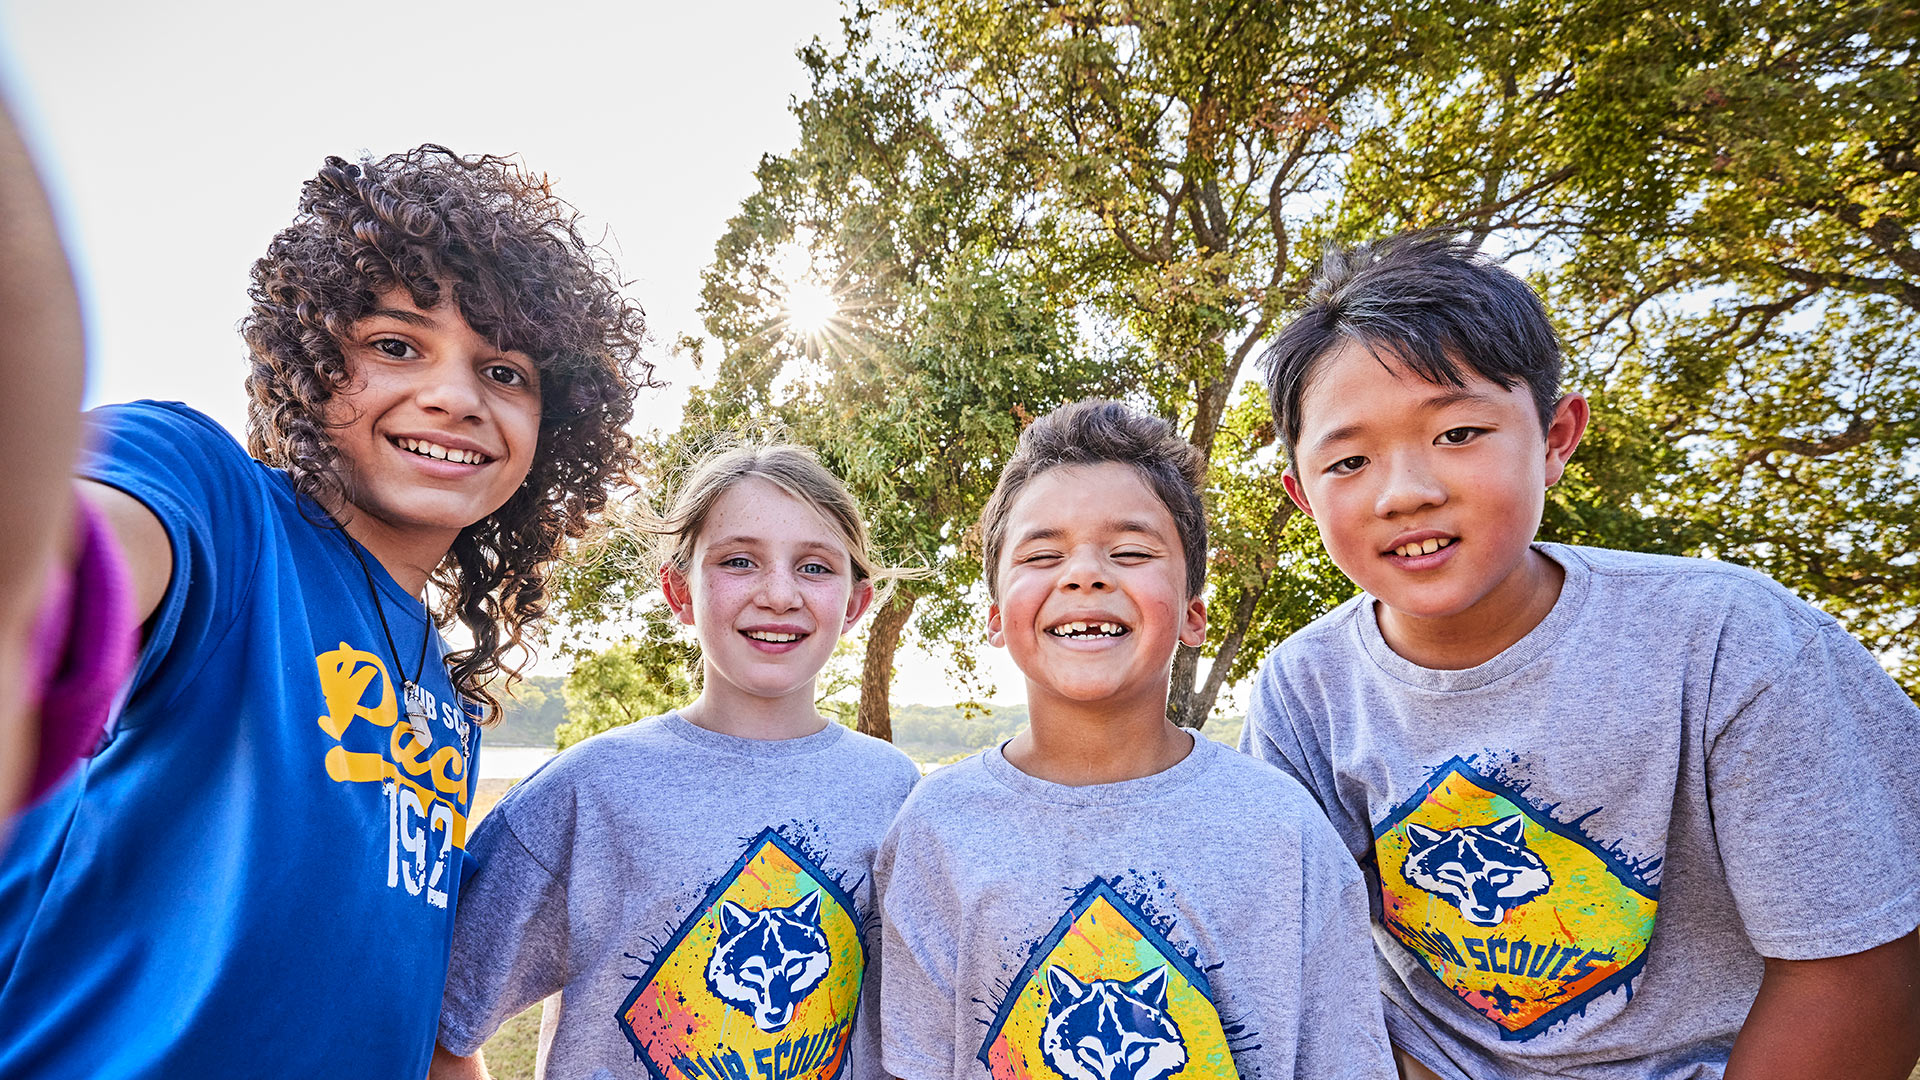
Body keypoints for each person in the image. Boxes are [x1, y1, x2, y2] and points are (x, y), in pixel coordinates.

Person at [0, 143, 648, 1079]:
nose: (455, 397)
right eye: (396, 346)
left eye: (506, 373)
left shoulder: (438, 695)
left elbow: (401, 1008)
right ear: (310, 365)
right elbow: (64, 558)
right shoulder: (216, 507)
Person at [1244, 235, 1920, 1080]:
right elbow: (1318, 977)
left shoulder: (1728, 642)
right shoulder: (1304, 689)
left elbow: (1861, 973)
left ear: (1556, 437)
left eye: (1459, 431)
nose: (1405, 491)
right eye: (1350, 459)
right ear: (1304, 493)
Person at [876, 400, 1397, 1080]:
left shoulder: (1284, 830)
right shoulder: (936, 830)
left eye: (1130, 551)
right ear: (997, 618)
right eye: (1043, 553)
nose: (1086, 574)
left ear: (1192, 614)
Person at [433, 443, 921, 1080]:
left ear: (855, 603)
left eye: (815, 567)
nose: (779, 594)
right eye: (739, 562)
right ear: (678, 591)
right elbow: (442, 1023)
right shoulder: (588, 790)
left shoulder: (896, 789)